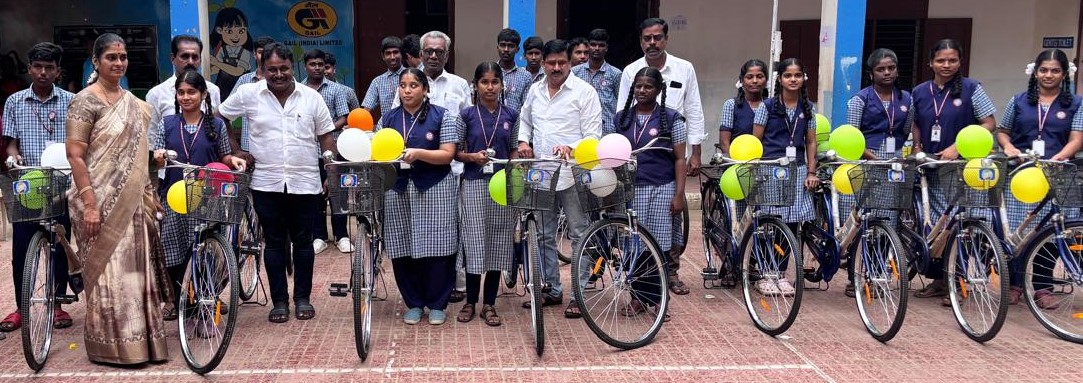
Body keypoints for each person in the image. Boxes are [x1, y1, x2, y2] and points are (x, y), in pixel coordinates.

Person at [65, 32, 170, 365]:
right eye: (111, 57)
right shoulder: (85, 100)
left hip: (134, 203)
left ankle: (144, 344)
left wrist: (152, 196)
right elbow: (75, 155)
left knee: (135, 272)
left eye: (123, 57)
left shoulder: (137, 105)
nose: (118, 63)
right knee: (110, 274)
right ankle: (110, 347)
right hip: (96, 200)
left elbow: (140, 158)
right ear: (96, 61)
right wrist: (91, 204)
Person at [217, 43, 337, 323]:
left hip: (305, 182)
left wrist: (330, 167)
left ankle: (303, 298)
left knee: (303, 242)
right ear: (263, 68)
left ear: (292, 67)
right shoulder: (248, 93)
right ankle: (280, 302)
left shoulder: (311, 98)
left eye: (284, 69)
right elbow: (220, 117)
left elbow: (326, 136)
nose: (279, 75)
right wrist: (235, 149)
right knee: (272, 243)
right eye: (272, 70)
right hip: (265, 182)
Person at [618, 17, 706, 295]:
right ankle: (642, 282)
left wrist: (696, 152)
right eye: (647, 38)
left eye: (657, 37)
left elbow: (693, 108)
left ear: (665, 39)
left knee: (669, 222)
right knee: (637, 230)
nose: (652, 42)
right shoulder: (631, 71)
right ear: (641, 41)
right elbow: (622, 114)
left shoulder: (684, 68)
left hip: (671, 155)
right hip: (638, 161)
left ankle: (671, 273)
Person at [517, 39, 602, 318]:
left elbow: (593, 135)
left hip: (574, 172)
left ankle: (578, 294)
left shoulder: (585, 92)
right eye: (551, 63)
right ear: (542, 63)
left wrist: (572, 148)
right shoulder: (534, 90)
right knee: (543, 233)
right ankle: (552, 288)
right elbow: (526, 120)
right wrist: (522, 141)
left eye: (562, 63)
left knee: (579, 232)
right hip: (541, 171)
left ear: (570, 63)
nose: (556, 68)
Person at [151, 70, 245, 320]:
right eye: (181, 92)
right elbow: (156, 161)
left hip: (207, 196)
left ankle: (208, 296)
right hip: (174, 195)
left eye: (191, 92)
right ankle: (177, 298)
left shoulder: (216, 125)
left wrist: (232, 159)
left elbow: (223, 155)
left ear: (203, 94)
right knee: (172, 247)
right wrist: (157, 158)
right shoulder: (167, 124)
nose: (185, 97)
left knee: (206, 249)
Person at [909, 39, 997, 305]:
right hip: (931, 167)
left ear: (960, 62)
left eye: (952, 60)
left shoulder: (972, 88)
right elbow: (914, 122)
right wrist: (915, 146)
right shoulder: (920, 91)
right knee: (938, 225)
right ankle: (939, 280)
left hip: (962, 168)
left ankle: (958, 281)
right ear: (930, 63)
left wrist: (957, 147)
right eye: (941, 60)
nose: (946, 65)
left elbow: (989, 123)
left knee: (962, 223)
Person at [997, 48, 1083, 308]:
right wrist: (1009, 148)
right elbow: (1002, 131)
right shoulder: (1019, 100)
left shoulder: (1076, 103)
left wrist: (1059, 157)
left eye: (1055, 70)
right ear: (1035, 72)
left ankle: (1042, 287)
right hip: (1022, 174)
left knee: (1052, 230)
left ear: (1064, 74)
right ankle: (1014, 284)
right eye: (1044, 70)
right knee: (1017, 232)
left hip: (1058, 173)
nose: (1049, 75)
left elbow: (1077, 139)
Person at [1, 42, 74, 333]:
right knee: (21, 248)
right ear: (29, 68)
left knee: (60, 243)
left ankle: (57, 304)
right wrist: (12, 155)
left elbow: (80, 142)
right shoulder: (14, 102)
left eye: (49, 68)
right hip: (27, 183)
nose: (43, 73)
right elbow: (10, 142)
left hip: (61, 183)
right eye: (38, 67)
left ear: (58, 71)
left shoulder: (71, 101)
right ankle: (21, 307)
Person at [379, 67, 460, 325]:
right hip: (398, 188)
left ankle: (437, 303)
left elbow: (448, 153)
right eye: (403, 85)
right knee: (402, 245)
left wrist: (418, 153)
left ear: (426, 90)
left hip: (435, 186)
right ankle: (413, 302)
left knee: (439, 246)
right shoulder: (388, 119)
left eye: (414, 85)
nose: (407, 90)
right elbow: (379, 153)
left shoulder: (442, 116)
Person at [610, 66, 687, 319]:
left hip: (661, 189)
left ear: (659, 90)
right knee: (634, 247)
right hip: (630, 191)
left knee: (659, 247)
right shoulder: (621, 117)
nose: (642, 90)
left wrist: (678, 195)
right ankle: (637, 298)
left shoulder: (672, 118)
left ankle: (659, 302)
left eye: (648, 86)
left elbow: (679, 159)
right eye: (639, 86)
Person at [841, 48, 914, 297]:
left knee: (888, 221)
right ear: (871, 73)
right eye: (881, 69)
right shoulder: (860, 100)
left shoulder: (906, 100)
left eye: (891, 68)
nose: (886, 73)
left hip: (894, 167)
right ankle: (856, 276)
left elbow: (906, 131)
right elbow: (852, 137)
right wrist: (876, 159)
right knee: (864, 222)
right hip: (867, 164)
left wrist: (899, 159)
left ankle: (877, 273)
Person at [750, 58, 820, 297]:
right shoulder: (767, 107)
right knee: (770, 223)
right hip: (771, 169)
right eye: (788, 75)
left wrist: (811, 172)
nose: (793, 79)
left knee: (790, 225)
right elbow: (755, 141)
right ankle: (765, 274)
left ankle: (780, 274)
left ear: (803, 79)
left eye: (797, 75)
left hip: (798, 170)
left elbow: (810, 142)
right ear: (779, 79)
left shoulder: (809, 107)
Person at [455, 62, 518, 326]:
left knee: (498, 241)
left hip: (502, 186)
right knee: (473, 240)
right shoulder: (466, 115)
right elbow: (455, 151)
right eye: (484, 82)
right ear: (476, 85)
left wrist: (517, 178)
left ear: (502, 85)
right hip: (472, 183)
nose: (489, 87)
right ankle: (470, 301)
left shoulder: (512, 115)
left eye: (494, 82)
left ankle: (489, 304)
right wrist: (472, 157)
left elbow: (514, 150)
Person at [302, 48, 352, 255]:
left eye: (320, 64)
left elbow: (344, 116)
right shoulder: (299, 89)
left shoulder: (335, 89)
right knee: (314, 194)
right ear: (306, 66)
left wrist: (325, 130)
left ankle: (342, 236)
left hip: (333, 149)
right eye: (312, 64)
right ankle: (319, 236)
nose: (317, 68)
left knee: (338, 193)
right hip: (307, 151)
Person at [146, 35, 222, 128]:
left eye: (195, 57)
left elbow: (217, 130)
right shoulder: (156, 94)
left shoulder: (212, 90)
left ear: (200, 60)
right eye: (185, 56)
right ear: (173, 58)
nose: (190, 62)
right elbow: (152, 136)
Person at [229, 36, 274, 153]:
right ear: (254, 54)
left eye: (267, 52)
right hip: (248, 147)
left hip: (275, 146)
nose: (264, 56)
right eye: (260, 52)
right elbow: (225, 114)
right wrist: (236, 149)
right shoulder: (244, 80)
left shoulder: (280, 80)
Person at [719, 59, 767, 153]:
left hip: (766, 163)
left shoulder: (772, 105)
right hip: (738, 163)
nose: (755, 81)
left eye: (759, 76)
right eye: (749, 77)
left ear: (766, 79)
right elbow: (724, 143)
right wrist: (735, 163)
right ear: (742, 80)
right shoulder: (731, 105)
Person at [209, 7, 254, 96]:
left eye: (241, 31)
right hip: (223, 90)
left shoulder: (245, 52)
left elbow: (238, 71)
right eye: (229, 31)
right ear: (219, 31)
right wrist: (207, 70)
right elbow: (217, 70)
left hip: (241, 91)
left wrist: (217, 63)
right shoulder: (222, 50)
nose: (236, 36)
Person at [362, 36, 406, 119]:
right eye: (388, 53)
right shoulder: (377, 81)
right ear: (383, 56)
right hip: (387, 127)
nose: (392, 57)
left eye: (395, 52)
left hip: (410, 125)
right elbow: (366, 109)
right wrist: (357, 122)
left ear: (401, 54)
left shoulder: (413, 75)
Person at [496, 28, 532, 112]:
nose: (506, 49)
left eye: (511, 46)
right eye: (502, 45)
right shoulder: (489, 72)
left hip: (516, 123)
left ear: (517, 49)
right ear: (497, 47)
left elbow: (526, 108)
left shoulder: (525, 76)